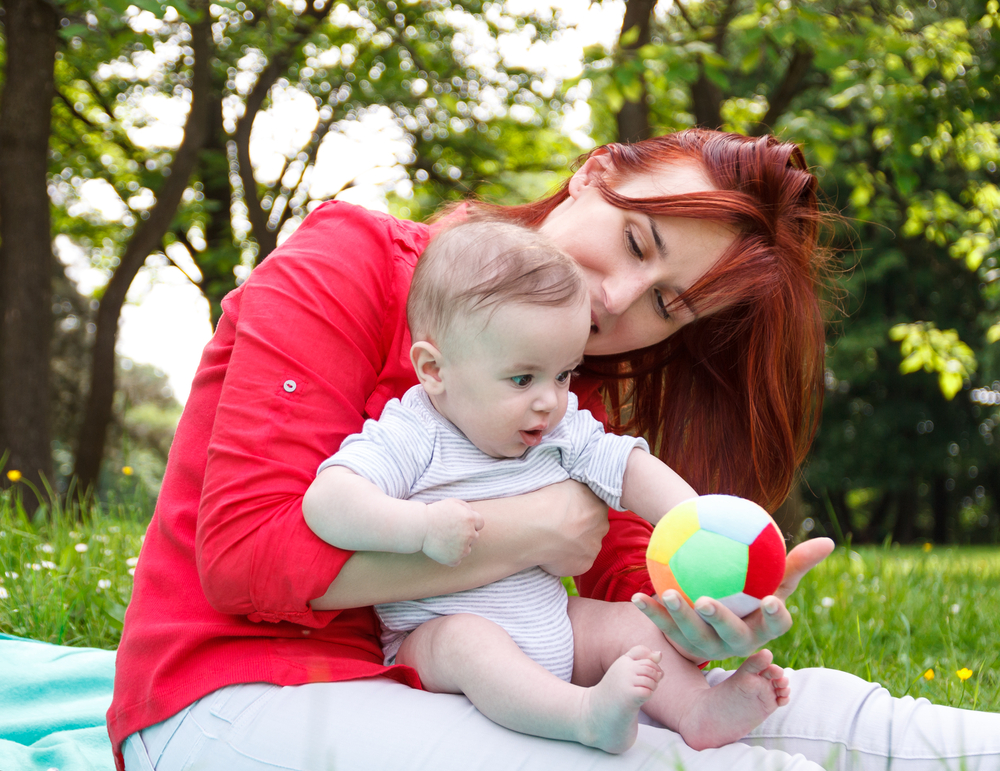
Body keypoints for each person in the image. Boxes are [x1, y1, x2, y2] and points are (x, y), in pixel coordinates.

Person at [110, 129, 1000, 771]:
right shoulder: (346, 263)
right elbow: (243, 558)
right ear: (592, 175)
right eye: (635, 241)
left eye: (668, 305)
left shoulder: (569, 386)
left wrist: (706, 605)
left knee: (827, 709)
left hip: (448, 693)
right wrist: (525, 533)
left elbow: (620, 586)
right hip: (231, 698)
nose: (618, 299)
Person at [303, 219, 791, 753]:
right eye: (522, 379)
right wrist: (417, 527)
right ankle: (583, 715)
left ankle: (696, 708)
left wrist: (702, 522)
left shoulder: (557, 426)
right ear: (434, 369)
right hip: (435, 642)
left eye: (563, 375)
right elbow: (329, 501)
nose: (549, 400)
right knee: (467, 642)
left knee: (624, 627)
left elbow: (625, 466)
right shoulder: (415, 433)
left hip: (554, 625)